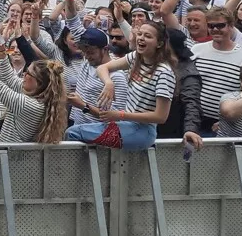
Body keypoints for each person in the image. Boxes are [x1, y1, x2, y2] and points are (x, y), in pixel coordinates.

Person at [66, 21, 176, 150]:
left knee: (72, 133)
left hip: (142, 131)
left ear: (159, 43)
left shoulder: (164, 72)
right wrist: (108, 83)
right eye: (140, 34)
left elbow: (160, 117)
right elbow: (102, 68)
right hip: (126, 125)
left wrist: (120, 115)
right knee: (73, 131)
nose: (141, 38)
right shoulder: (136, 57)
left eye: (148, 36)